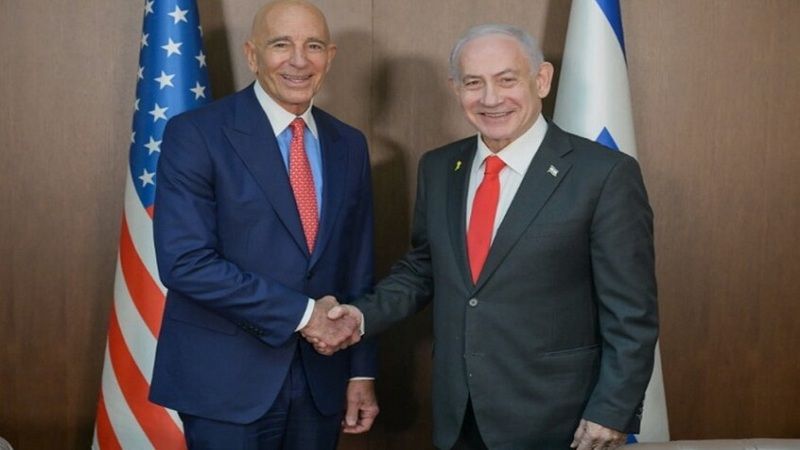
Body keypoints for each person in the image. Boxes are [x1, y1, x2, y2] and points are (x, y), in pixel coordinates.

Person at [318, 23, 659, 449]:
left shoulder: (603, 175)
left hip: (559, 420)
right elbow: (423, 269)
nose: (491, 98)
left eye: (507, 79)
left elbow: (631, 313)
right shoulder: (439, 168)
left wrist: (611, 410)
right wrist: (360, 316)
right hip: (458, 415)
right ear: (456, 89)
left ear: (542, 80)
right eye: (474, 83)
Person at [149, 1, 378, 448]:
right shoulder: (196, 133)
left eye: (313, 46)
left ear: (330, 57)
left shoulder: (349, 144)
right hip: (225, 382)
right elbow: (185, 262)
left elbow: (359, 266)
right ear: (252, 55)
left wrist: (361, 370)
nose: (299, 60)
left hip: (322, 379)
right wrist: (305, 314)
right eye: (281, 44)